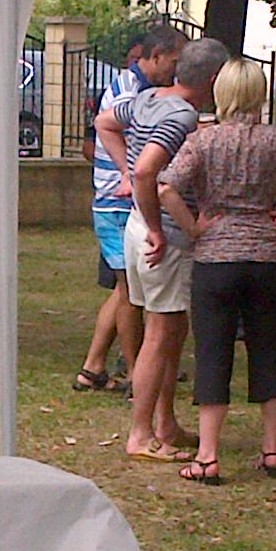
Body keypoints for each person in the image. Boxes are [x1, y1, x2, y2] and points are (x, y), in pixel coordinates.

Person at [158, 57, 276, 482]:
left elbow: (166, 186)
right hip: (265, 257)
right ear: (260, 93)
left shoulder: (203, 142)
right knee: (267, 350)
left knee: (213, 352)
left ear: (221, 93)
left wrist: (193, 227)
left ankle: (207, 455)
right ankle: (271, 450)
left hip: (215, 258)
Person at [103, 35, 228, 461]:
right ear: (213, 79)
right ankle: (140, 434)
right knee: (159, 334)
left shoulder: (149, 97)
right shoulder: (181, 118)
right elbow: (147, 169)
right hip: (164, 238)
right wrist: (158, 225)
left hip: (139, 228)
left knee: (173, 329)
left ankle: (165, 423)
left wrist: (128, 179)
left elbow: (105, 123)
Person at [76, 23, 187, 392]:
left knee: (125, 288)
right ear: (155, 57)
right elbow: (105, 128)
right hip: (118, 201)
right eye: (175, 59)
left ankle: (93, 367)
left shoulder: (144, 88)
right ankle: (138, 373)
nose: (178, 67)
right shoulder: (133, 91)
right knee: (130, 292)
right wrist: (128, 173)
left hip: (120, 199)